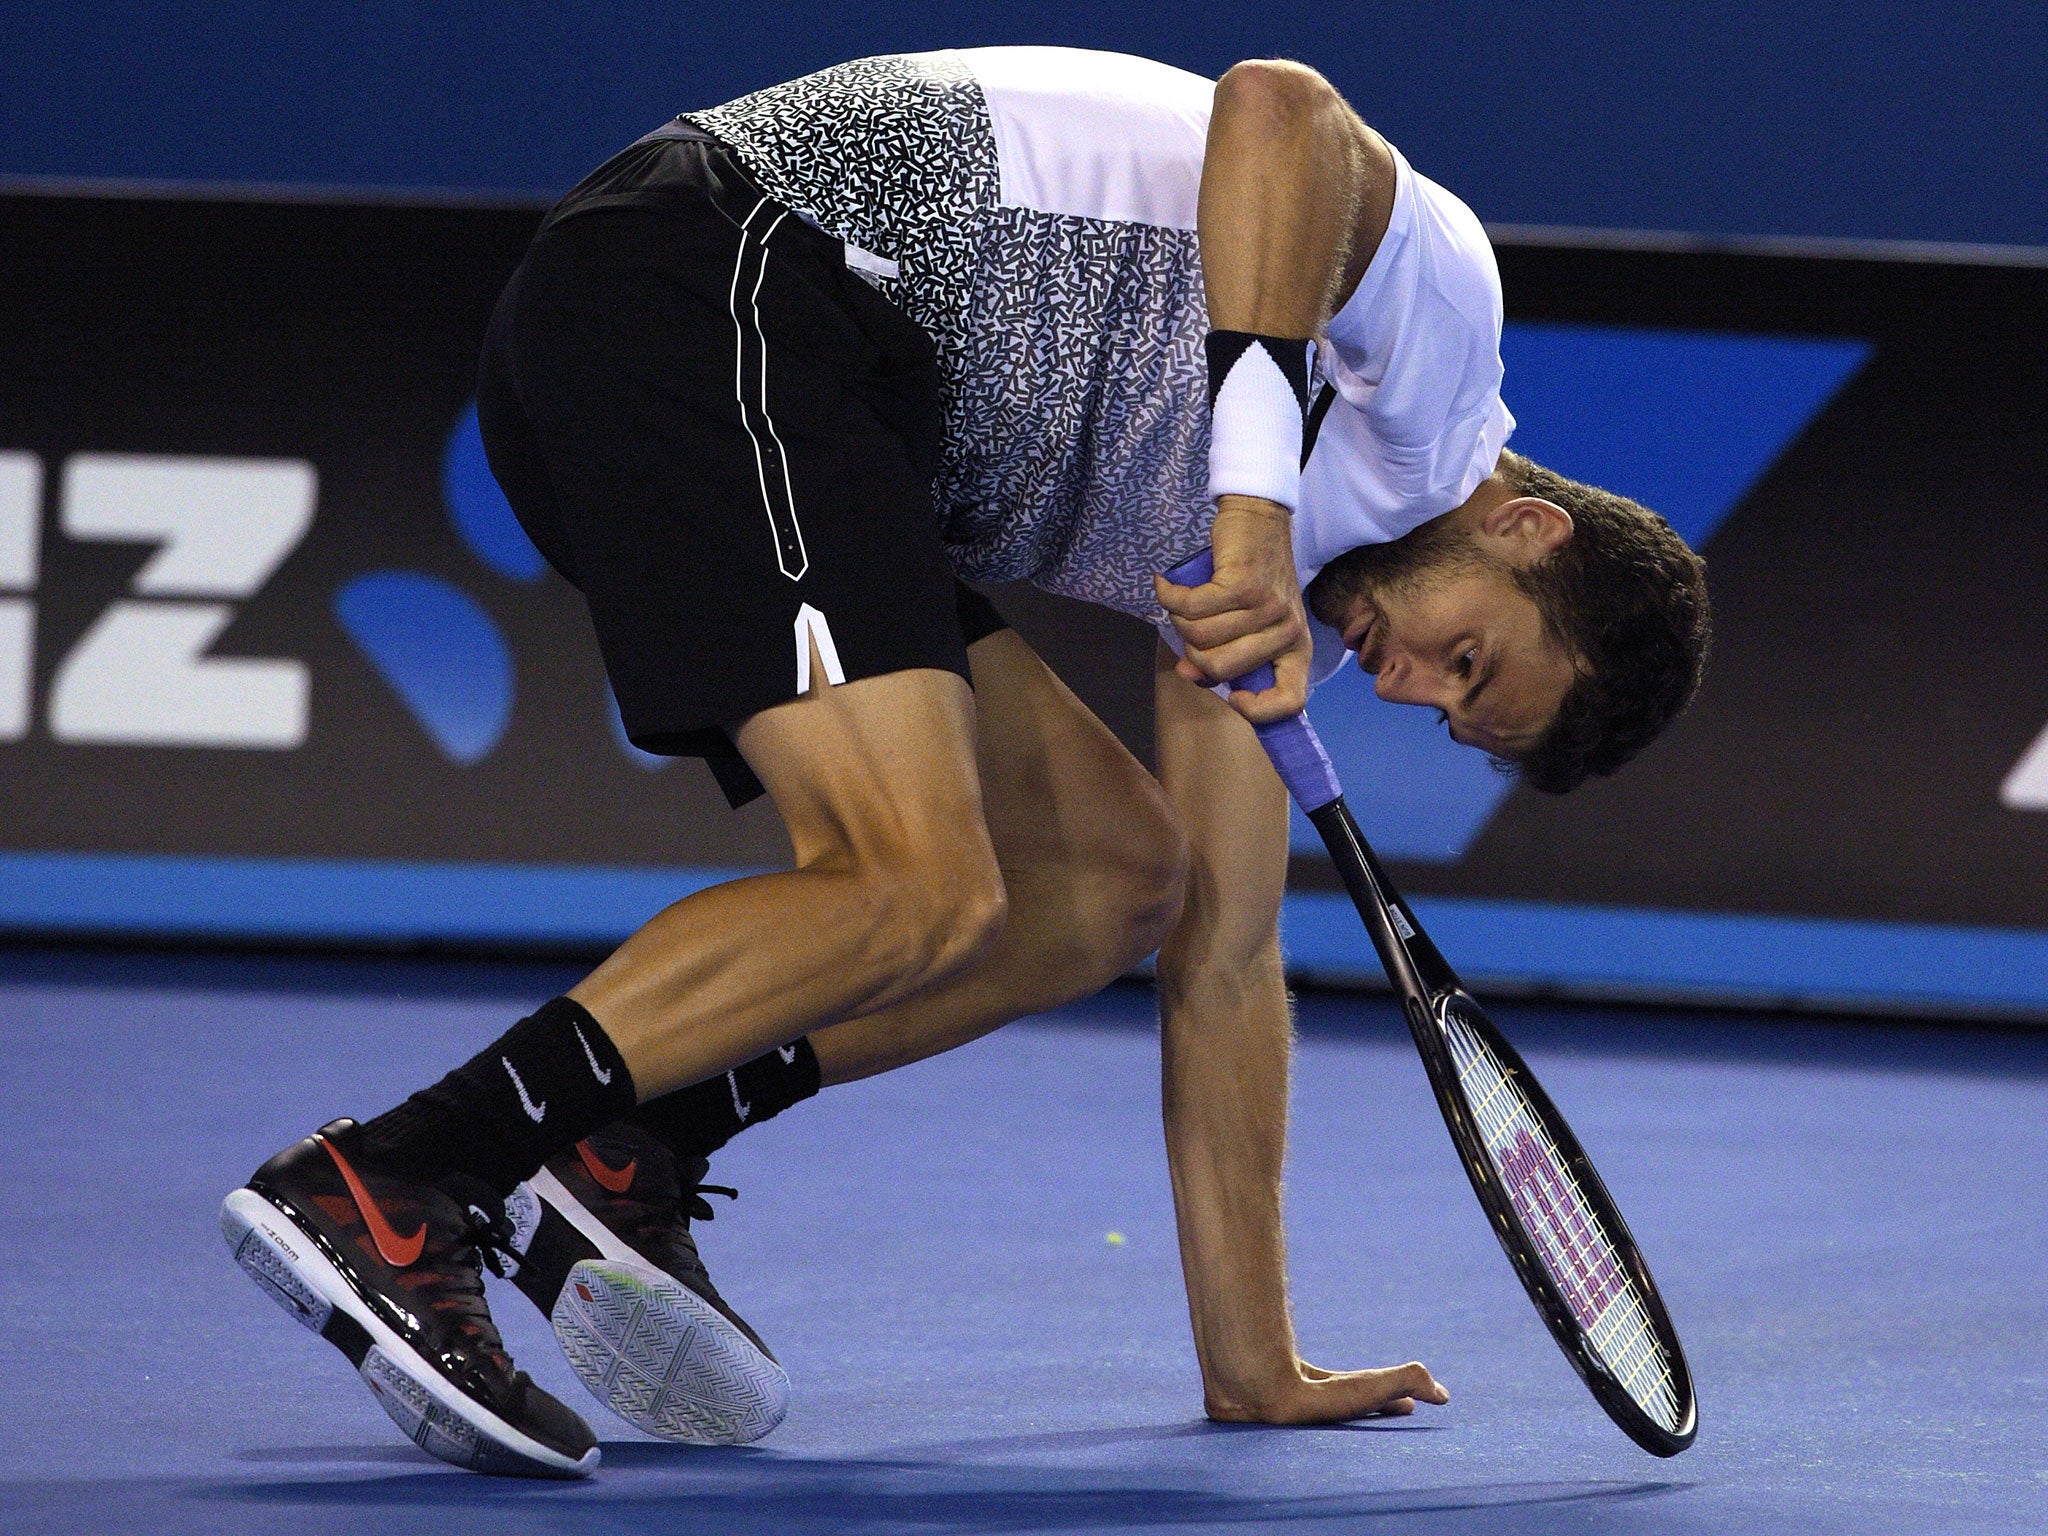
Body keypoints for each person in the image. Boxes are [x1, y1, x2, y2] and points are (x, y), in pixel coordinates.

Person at [221, 46, 1710, 1477]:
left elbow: (1228, 962)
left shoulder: (1282, 589)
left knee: (1123, 882)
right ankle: (400, 1178)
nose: (1405, 683)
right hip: (717, 274)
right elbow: (1277, 107)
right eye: (1470, 660)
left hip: (787, 405)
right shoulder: (1440, 353)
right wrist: (1251, 518)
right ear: (1528, 532)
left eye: (1443, 710)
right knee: (910, 883)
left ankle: (630, 1143)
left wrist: (1255, 1366)